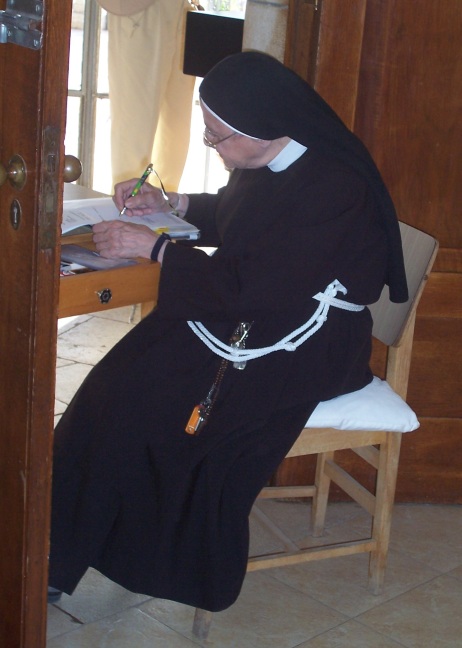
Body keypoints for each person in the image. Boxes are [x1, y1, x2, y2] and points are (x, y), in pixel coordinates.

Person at [48, 51, 408, 612]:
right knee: (112, 388)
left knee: (147, 409)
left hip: (308, 344)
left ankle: (100, 554)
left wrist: (158, 248)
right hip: (257, 314)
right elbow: (245, 216)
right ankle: (58, 548)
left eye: (218, 140)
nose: (214, 149)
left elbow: (254, 284)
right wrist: (173, 204)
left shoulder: (336, 187)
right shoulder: (272, 160)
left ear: (264, 132)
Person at [98, 0, 196, 190]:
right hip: (140, 10)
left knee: (176, 129)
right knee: (135, 129)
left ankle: (163, 207)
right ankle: (127, 208)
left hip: (184, 8)